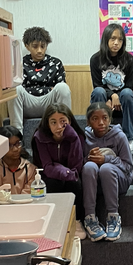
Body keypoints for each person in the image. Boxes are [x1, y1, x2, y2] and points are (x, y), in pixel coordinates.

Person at [32, 102, 85, 238]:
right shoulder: (40, 138)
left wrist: (73, 139)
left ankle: (77, 220)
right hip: (51, 176)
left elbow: (76, 166)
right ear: (47, 124)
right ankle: (54, 222)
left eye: (63, 122)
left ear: (70, 121)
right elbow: (47, 167)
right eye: (53, 122)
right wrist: (66, 172)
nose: (59, 127)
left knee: (75, 183)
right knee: (52, 182)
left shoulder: (76, 136)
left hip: (72, 176)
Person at [82, 102, 133, 242]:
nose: (101, 122)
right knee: (89, 166)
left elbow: (128, 166)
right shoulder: (85, 138)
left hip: (118, 182)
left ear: (110, 119)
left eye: (105, 118)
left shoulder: (119, 136)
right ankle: (90, 218)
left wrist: (106, 159)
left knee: (106, 168)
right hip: (94, 184)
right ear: (88, 122)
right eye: (95, 119)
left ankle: (113, 217)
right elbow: (78, 165)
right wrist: (88, 158)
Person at [10, 26, 71, 131]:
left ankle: (66, 131)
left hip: (50, 105)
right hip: (28, 104)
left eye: (43, 46)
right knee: (15, 89)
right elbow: (20, 89)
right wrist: (47, 89)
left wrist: (35, 89)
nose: (39, 50)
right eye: (35, 46)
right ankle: (17, 135)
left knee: (63, 87)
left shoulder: (55, 63)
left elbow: (61, 89)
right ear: (27, 46)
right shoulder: (20, 64)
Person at [90, 23, 133, 149]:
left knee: (127, 93)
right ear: (106, 39)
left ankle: (129, 137)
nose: (116, 43)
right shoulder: (95, 59)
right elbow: (97, 85)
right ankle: (97, 134)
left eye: (120, 39)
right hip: (103, 98)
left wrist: (116, 97)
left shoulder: (129, 60)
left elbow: (129, 86)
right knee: (98, 91)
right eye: (113, 38)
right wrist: (111, 96)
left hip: (122, 100)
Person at [0, 126, 36, 194]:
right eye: (9, 145)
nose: (15, 149)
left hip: (24, 203)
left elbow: (27, 195)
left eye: (18, 143)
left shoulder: (30, 169)